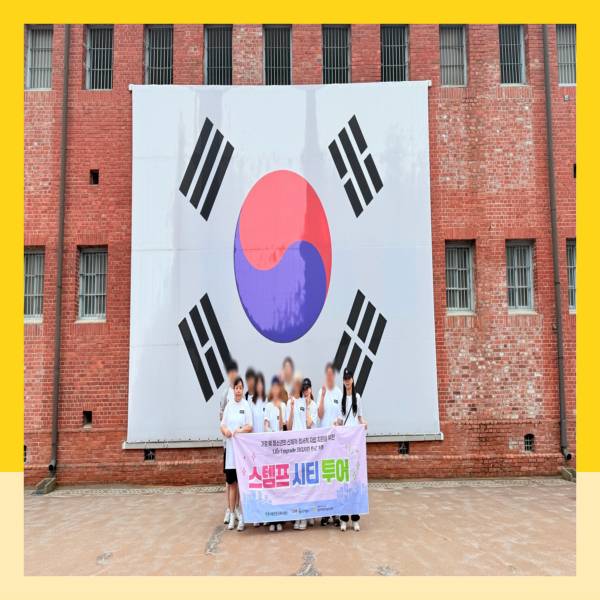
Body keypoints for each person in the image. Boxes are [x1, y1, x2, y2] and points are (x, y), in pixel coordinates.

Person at [220, 376, 253, 531]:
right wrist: (226, 431)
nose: (238, 391)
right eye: (236, 388)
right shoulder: (229, 406)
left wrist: (241, 430)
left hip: (242, 454)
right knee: (232, 484)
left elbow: (250, 426)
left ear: (243, 389)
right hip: (231, 453)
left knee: (241, 485)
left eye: (240, 388)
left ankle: (242, 517)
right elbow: (222, 425)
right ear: (233, 390)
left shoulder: (245, 405)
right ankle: (232, 514)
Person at [337, 367, 367, 532]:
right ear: (343, 381)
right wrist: (335, 425)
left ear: (353, 380)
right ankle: (343, 519)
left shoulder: (357, 397)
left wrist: (364, 423)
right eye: (345, 379)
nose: (347, 381)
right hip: (344, 444)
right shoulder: (341, 399)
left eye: (349, 378)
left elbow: (359, 417)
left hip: (355, 445)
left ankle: (355, 519)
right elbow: (340, 421)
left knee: (355, 481)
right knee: (344, 481)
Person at [288, 377, 318, 531]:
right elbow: (290, 425)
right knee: (297, 483)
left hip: (308, 450)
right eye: (304, 389)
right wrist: (293, 407)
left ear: (311, 389)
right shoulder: (296, 402)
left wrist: (306, 407)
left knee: (307, 483)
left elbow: (309, 424)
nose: (305, 391)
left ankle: (306, 516)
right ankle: (298, 515)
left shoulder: (313, 405)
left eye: (308, 388)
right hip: (296, 449)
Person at [317, 362, 343, 526]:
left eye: (331, 374)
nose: (329, 376)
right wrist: (322, 396)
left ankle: (336, 512)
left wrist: (337, 423)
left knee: (334, 475)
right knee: (324, 476)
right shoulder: (321, 391)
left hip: (335, 441)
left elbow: (341, 416)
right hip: (323, 442)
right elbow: (319, 415)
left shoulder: (339, 393)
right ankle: (325, 512)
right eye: (327, 374)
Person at [263, 376, 285, 532]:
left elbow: (283, 426)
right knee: (272, 483)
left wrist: (281, 410)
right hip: (270, 450)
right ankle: (272, 519)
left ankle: (281, 520)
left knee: (281, 484)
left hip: (281, 451)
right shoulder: (268, 406)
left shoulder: (283, 405)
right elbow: (266, 425)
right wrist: (271, 433)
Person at [220, 359, 238, 526]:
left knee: (238, 480)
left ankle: (237, 508)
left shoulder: (241, 394)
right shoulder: (225, 394)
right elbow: (221, 419)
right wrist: (225, 432)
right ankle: (228, 508)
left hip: (240, 447)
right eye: (230, 372)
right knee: (229, 480)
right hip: (228, 445)